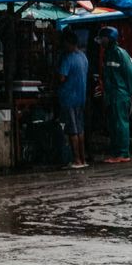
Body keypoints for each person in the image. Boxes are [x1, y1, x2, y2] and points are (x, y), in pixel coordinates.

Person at [98, 26, 132, 164]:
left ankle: (122, 153)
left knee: (120, 124)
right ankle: (116, 153)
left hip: (120, 95)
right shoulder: (108, 53)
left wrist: (131, 92)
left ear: (109, 39)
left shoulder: (119, 53)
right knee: (114, 125)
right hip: (112, 95)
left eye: (103, 38)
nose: (101, 41)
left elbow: (130, 74)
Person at [58, 30, 89, 169]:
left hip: (69, 97)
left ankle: (76, 160)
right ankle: (83, 159)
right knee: (80, 129)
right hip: (81, 97)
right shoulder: (83, 57)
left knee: (72, 130)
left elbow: (62, 77)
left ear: (68, 43)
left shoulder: (68, 58)